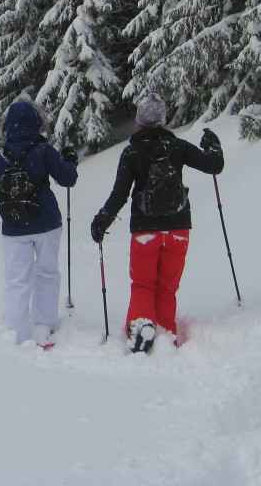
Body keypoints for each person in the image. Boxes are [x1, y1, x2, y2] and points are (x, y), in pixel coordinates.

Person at [89, 93, 224, 353]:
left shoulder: (131, 153)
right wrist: (212, 145)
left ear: (139, 121)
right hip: (179, 229)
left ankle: (141, 327)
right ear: (162, 121)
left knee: (143, 285)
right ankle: (167, 337)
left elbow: (119, 195)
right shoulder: (178, 147)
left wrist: (100, 223)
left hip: (145, 231)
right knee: (167, 288)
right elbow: (214, 166)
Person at [0, 100, 78, 347]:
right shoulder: (43, 149)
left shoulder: (0, 157)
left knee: (17, 279)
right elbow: (67, 179)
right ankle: (44, 326)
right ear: (36, 123)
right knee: (47, 273)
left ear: (8, 126)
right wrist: (70, 159)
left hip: (14, 227)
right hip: (47, 222)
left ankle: (16, 332)